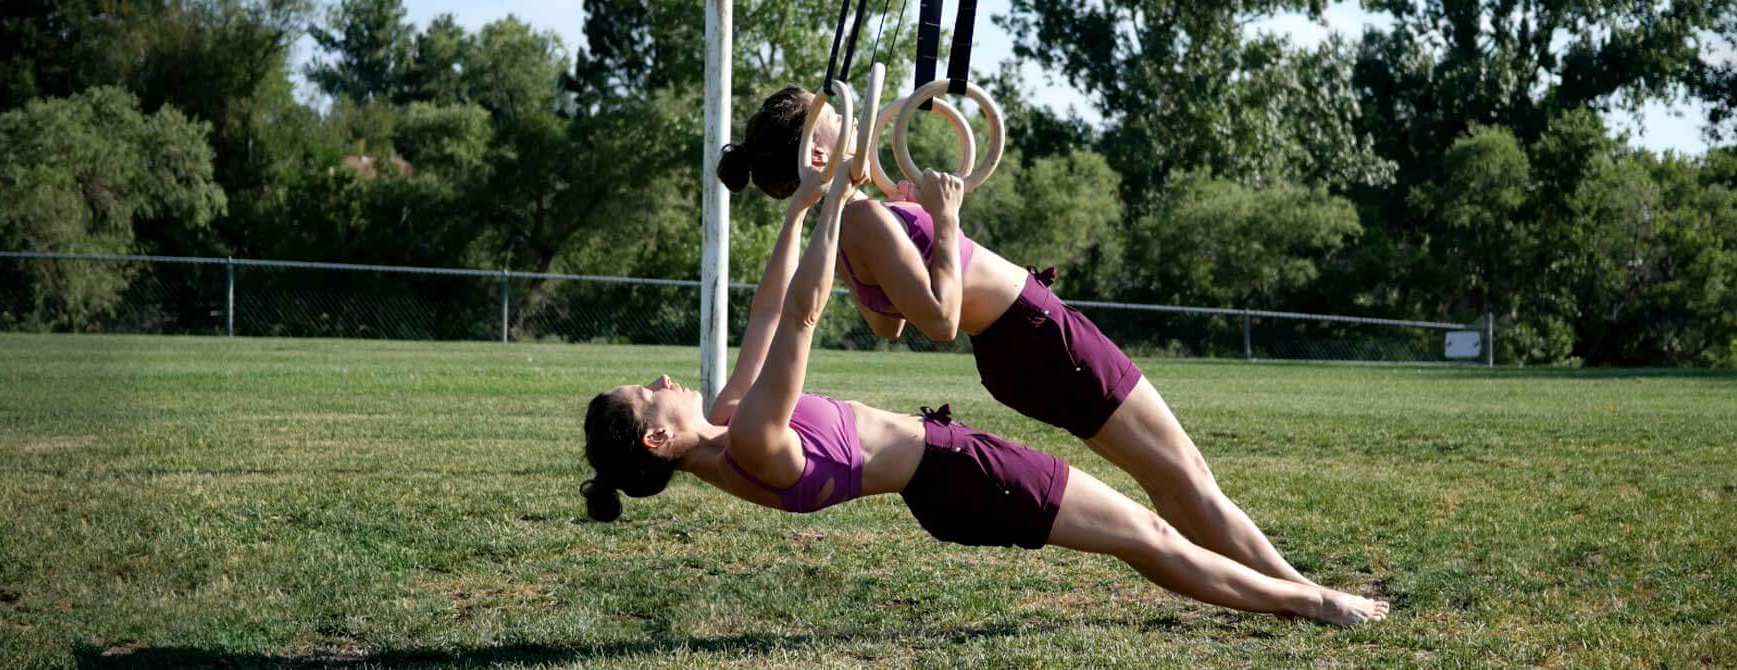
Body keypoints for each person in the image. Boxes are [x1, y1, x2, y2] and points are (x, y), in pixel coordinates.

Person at [580, 168, 1389, 626]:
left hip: (954, 470)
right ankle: (1315, 604)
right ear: (656, 440)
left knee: (1147, 525)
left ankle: (1298, 598)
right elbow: (800, 314)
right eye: (648, 396)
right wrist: (836, 213)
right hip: (962, 478)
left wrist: (796, 212)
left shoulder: (726, 422)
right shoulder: (754, 440)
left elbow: (764, 308)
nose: (661, 381)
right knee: (1143, 532)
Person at [714, 86, 1319, 588]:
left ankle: (1266, 582)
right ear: (819, 151)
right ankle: (1296, 588)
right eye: (841, 119)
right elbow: (941, 320)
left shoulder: (843, 230)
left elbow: (886, 324)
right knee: (1183, 474)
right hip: (1040, 339)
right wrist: (944, 219)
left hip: (1014, 355)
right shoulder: (864, 219)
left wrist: (912, 232)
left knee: (1166, 477)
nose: (855, 122)